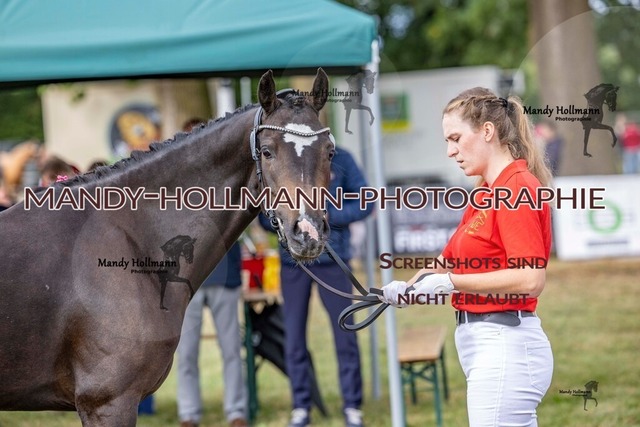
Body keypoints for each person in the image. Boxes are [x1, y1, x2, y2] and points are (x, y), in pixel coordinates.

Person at [379, 88, 554, 427]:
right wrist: (407, 289)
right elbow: (447, 261)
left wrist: (451, 283)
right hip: (487, 344)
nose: (450, 151)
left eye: (456, 138)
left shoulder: (516, 187)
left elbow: (531, 278)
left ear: (487, 131)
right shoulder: (485, 191)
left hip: (505, 344)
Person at [260, 147, 373, 427]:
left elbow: (365, 202)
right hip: (293, 263)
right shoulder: (282, 159)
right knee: (294, 337)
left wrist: (326, 216)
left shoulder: (341, 158)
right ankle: (301, 406)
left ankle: (352, 406)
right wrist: (287, 220)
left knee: (345, 335)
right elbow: (264, 216)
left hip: (333, 259)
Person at [176, 117, 248, 427]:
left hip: (225, 276)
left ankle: (236, 412)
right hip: (188, 280)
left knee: (231, 349)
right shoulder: (175, 180)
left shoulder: (230, 174)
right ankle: (188, 414)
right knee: (186, 353)